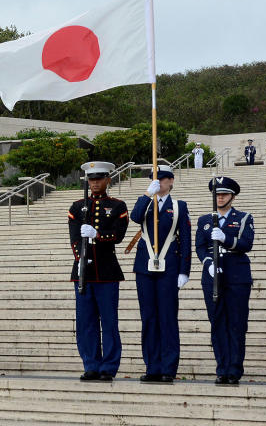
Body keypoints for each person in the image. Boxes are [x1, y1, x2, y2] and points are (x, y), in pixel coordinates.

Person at [129, 165, 190, 383]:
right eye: (155, 179)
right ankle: (152, 366)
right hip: (145, 267)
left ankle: (168, 368)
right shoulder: (145, 203)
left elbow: (185, 239)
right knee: (149, 318)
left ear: (171, 181)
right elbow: (134, 217)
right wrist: (147, 194)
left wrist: (184, 270)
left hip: (169, 267)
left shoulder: (179, 206)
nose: (159, 183)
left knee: (167, 318)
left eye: (162, 179)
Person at [69, 161, 129, 382]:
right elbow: (74, 238)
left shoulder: (117, 206)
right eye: (91, 179)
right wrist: (81, 258)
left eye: (99, 179)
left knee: (109, 321)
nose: (94, 183)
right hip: (84, 272)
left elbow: (119, 234)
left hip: (107, 272)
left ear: (108, 180)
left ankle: (109, 367)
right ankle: (91, 364)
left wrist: (98, 234)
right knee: (85, 322)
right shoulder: (77, 207)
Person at [195, 176, 254, 386]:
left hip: (236, 276)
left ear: (233, 196)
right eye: (217, 194)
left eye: (224, 194)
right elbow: (200, 246)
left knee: (236, 323)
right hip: (212, 276)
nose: (220, 198)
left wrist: (226, 239)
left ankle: (234, 370)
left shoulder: (244, 217)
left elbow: (247, 243)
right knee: (217, 322)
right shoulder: (204, 220)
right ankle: (222, 368)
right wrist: (208, 261)